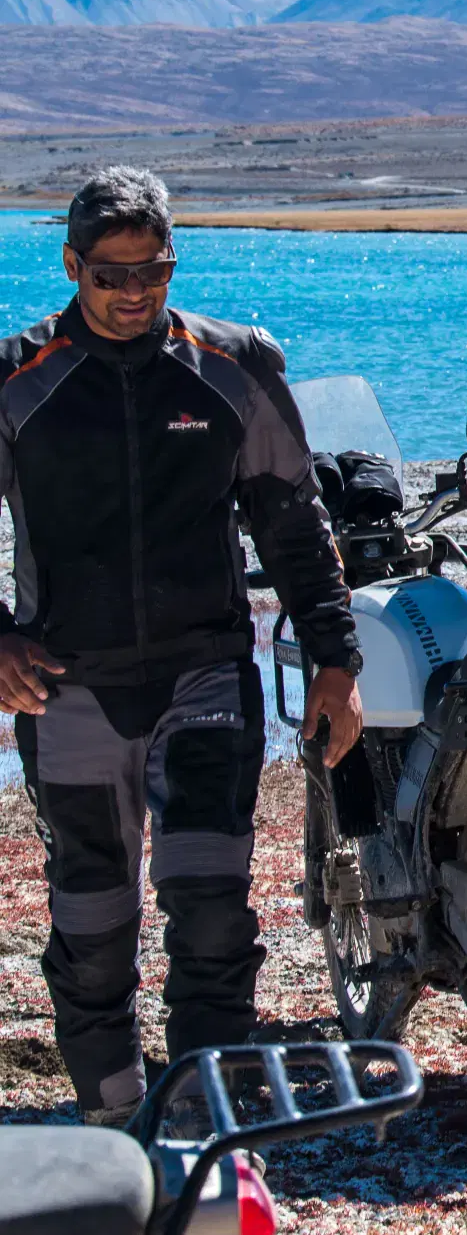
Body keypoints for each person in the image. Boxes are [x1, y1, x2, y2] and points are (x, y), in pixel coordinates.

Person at [0, 168, 362, 1124]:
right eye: (109, 275)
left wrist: (336, 661)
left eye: (152, 272)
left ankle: (207, 1122)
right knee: (91, 921)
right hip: (67, 690)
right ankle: (115, 1122)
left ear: (173, 263)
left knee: (210, 910)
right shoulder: (16, 380)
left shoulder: (234, 365)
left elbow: (294, 523)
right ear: (71, 266)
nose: (132, 294)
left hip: (206, 676)